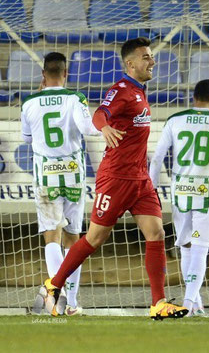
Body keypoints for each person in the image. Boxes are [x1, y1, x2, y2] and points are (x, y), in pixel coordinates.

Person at [38, 38, 188, 320]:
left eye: (151, 56)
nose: (152, 61)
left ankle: (158, 303)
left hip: (140, 179)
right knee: (94, 239)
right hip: (116, 178)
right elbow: (99, 114)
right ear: (130, 63)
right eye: (146, 57)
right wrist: (104, 127)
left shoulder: (141, 93)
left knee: (156, 233)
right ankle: (53, 285)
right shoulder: (121, 91)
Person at [149, 79, 209, 317]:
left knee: (186, 244)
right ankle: (188, 304)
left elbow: (157, 158)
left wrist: (153, 187)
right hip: (206, 190)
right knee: (200, 246)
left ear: (193, 97)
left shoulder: (175, 120)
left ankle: (196, 304)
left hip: (180, 189)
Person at [23, 52, 102, 316]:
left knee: (51, 236)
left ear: (43, 75)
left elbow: (26, 138)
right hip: (73, 173)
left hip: (46, 174)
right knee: (73, 238)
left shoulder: (30, 102)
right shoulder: (74, 98)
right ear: (66, 73)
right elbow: (88, 128)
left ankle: (58, 297)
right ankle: (74, 302)